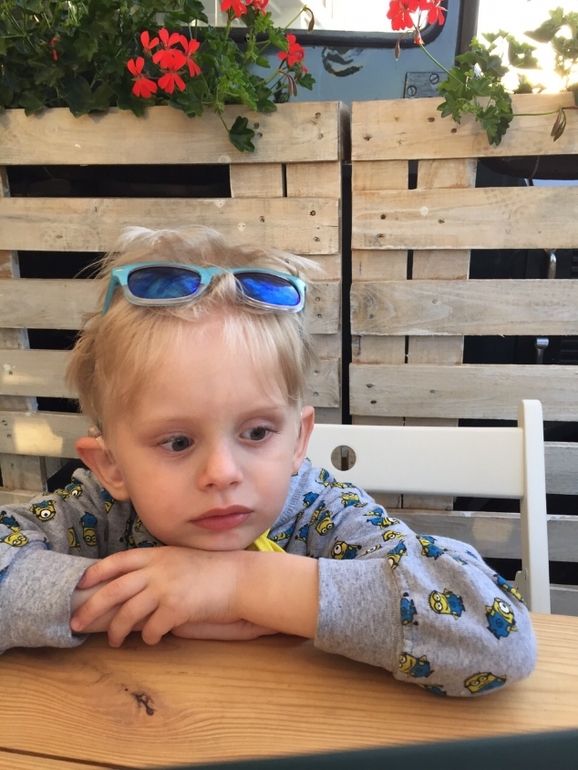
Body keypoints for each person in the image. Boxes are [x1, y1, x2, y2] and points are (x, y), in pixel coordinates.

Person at [0, 226, 536, 697]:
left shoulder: (320, 511)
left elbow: (499, 635)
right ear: (111, 466)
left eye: (257, 432)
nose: (223, 473)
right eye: (178, 442)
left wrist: (237, 586)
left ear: (299, 439)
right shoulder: (96, 510)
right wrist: (145, 594)